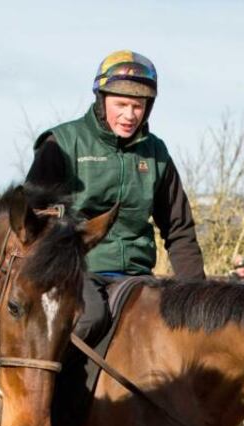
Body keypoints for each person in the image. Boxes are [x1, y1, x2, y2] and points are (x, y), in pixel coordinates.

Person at [26, 50, 205, 345]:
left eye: (138, 105)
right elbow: (33, 217)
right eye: (120, 104)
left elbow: (179, 229)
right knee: (91, 318)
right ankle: (53, 391)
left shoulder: (156, 154)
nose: (129, 115)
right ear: (101, 100)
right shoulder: (62, 143)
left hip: (137, 274)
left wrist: (198, 296)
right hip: (78, 271)